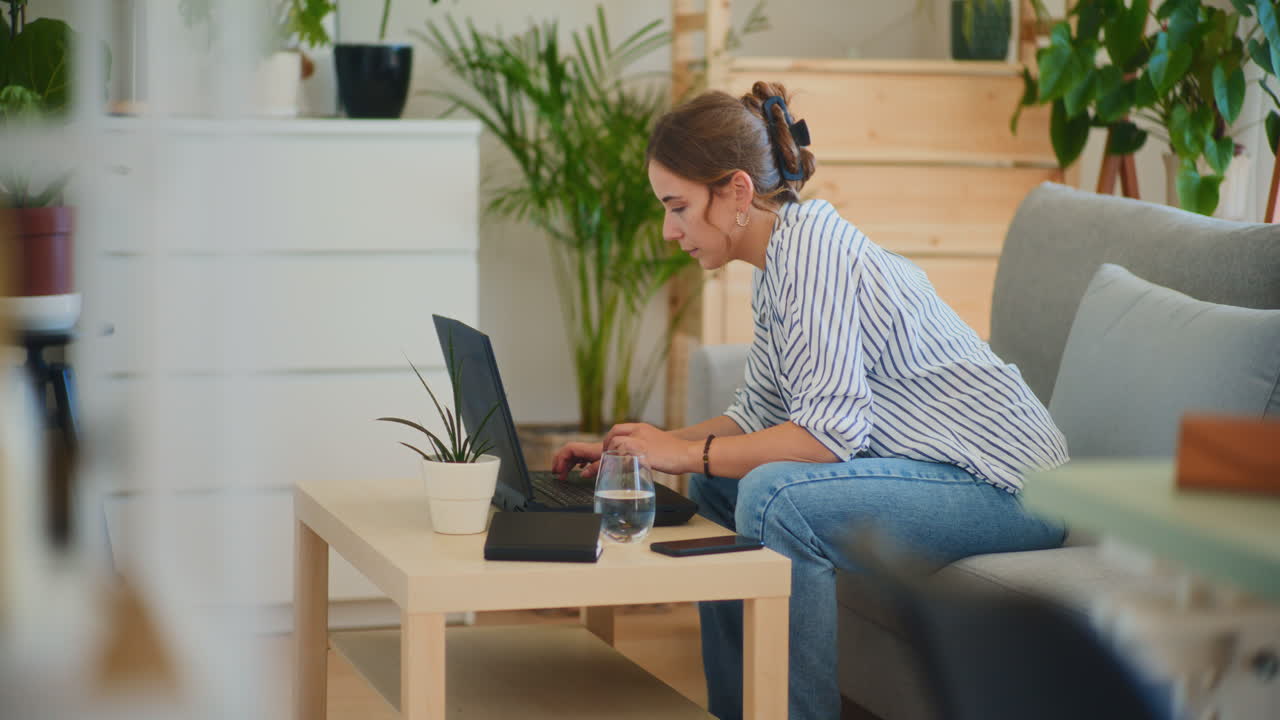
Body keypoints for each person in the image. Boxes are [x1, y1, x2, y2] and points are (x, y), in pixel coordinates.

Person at [551, 81, 1069, 720]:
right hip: (959, 475)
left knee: (777, 498)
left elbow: (826, 437)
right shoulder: (780, 264)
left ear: (736, 191)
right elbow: (757, 415)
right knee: (718, 485)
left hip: (1014, 490)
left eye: (678, 207)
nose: (668, 230)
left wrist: (681, 454)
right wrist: (639, 448)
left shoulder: (812, 255)